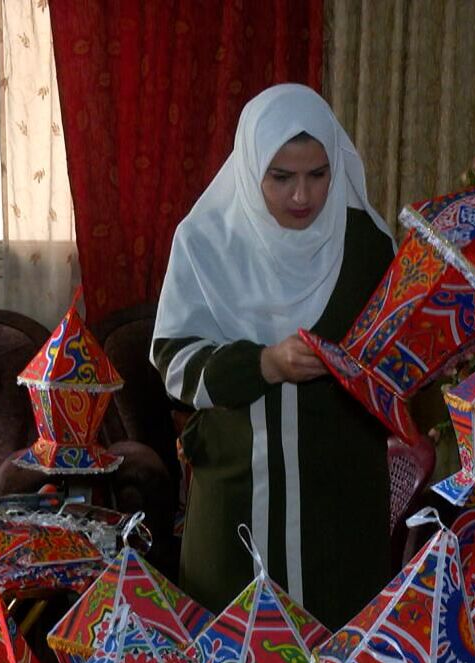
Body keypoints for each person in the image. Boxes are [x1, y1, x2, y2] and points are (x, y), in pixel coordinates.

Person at [153, 84, 395, 628]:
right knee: (233, 658)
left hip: (342, 504)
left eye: (318, 175)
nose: (302, 196)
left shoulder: (366, 246)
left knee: (342, 662)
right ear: (250, 166)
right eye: (281, 177)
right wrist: (263, 364)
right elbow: (174, 364)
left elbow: (392, 360)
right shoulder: (206, 242)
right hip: (237, 502)